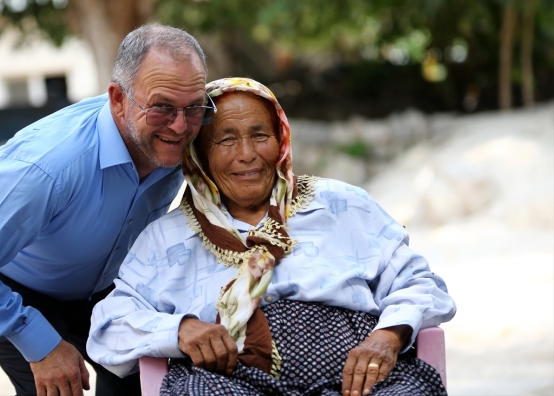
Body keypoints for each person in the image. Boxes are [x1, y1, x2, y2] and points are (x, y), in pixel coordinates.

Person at [86, 77, 457, 396]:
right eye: (225, 140)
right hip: (232, 383)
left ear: (280, 139)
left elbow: (420, 283)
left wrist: (387, 337)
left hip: (357, 381)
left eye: (259, 135)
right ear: (198, 152)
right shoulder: (167, 238)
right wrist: (180, 329)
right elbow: (109, 325)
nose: (246, 155)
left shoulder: (343, 205)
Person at [0, 24, 214, 396]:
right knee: (60, 387)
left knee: (145, 383)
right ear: (118, 99)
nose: (180, 126)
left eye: (193, 107)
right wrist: (40, 344)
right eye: (161, 108)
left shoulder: (189, 130)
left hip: (101, 282)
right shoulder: (47, 168)